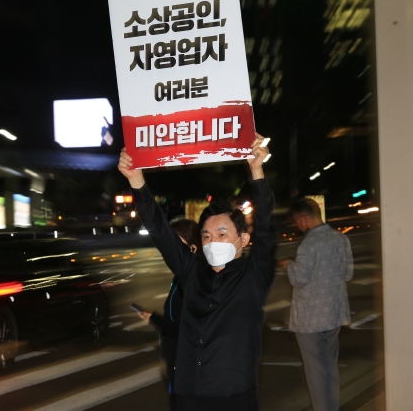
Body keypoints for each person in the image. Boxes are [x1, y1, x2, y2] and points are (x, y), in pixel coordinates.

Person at [118, 133, 274, 411]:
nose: (213, 241)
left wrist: (257, 172)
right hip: (188, 393)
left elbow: (267, 227)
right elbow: (160, 232)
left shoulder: (254, 275)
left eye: (222, 234)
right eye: (206, 235)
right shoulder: (191, 271)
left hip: (233, 396)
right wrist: (136, 181)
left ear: (244, 239)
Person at [278, 198, 354, 411]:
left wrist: (289, 265)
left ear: (304, 218)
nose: (297, 226)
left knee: (315, 371)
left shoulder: (309, 243)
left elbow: (299, 278)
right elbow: (348, 273)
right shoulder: (341, 239)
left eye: (297, 221)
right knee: (330, 366)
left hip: (310, 319)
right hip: (334, 314)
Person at [138, 217, 201, 395]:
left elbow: (185, 328)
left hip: (187, 362)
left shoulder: (195, 279)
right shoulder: (181, 277)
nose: (169, 248)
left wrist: (155, 320)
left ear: (193, 247)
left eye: (175, 243)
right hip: (178, 360)